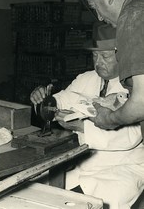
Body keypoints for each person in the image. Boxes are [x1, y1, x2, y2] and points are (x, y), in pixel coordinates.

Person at [30, 23, 144, 209]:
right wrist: (44, 100)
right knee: (46, 194)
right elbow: (63, 99)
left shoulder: (135, 87)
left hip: (124, 166)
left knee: (87, 200)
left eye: (105, 56)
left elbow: (130, 136)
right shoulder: (86, 79)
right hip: (86, 163)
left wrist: (82, 128)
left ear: (121, 55)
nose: (98, 62)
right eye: (94, 55)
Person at [78, 0, 144, 131]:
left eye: (95, 7)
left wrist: (110, 119)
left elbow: (141, 102)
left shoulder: (133, 15)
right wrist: (122, 99)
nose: (99, 18)